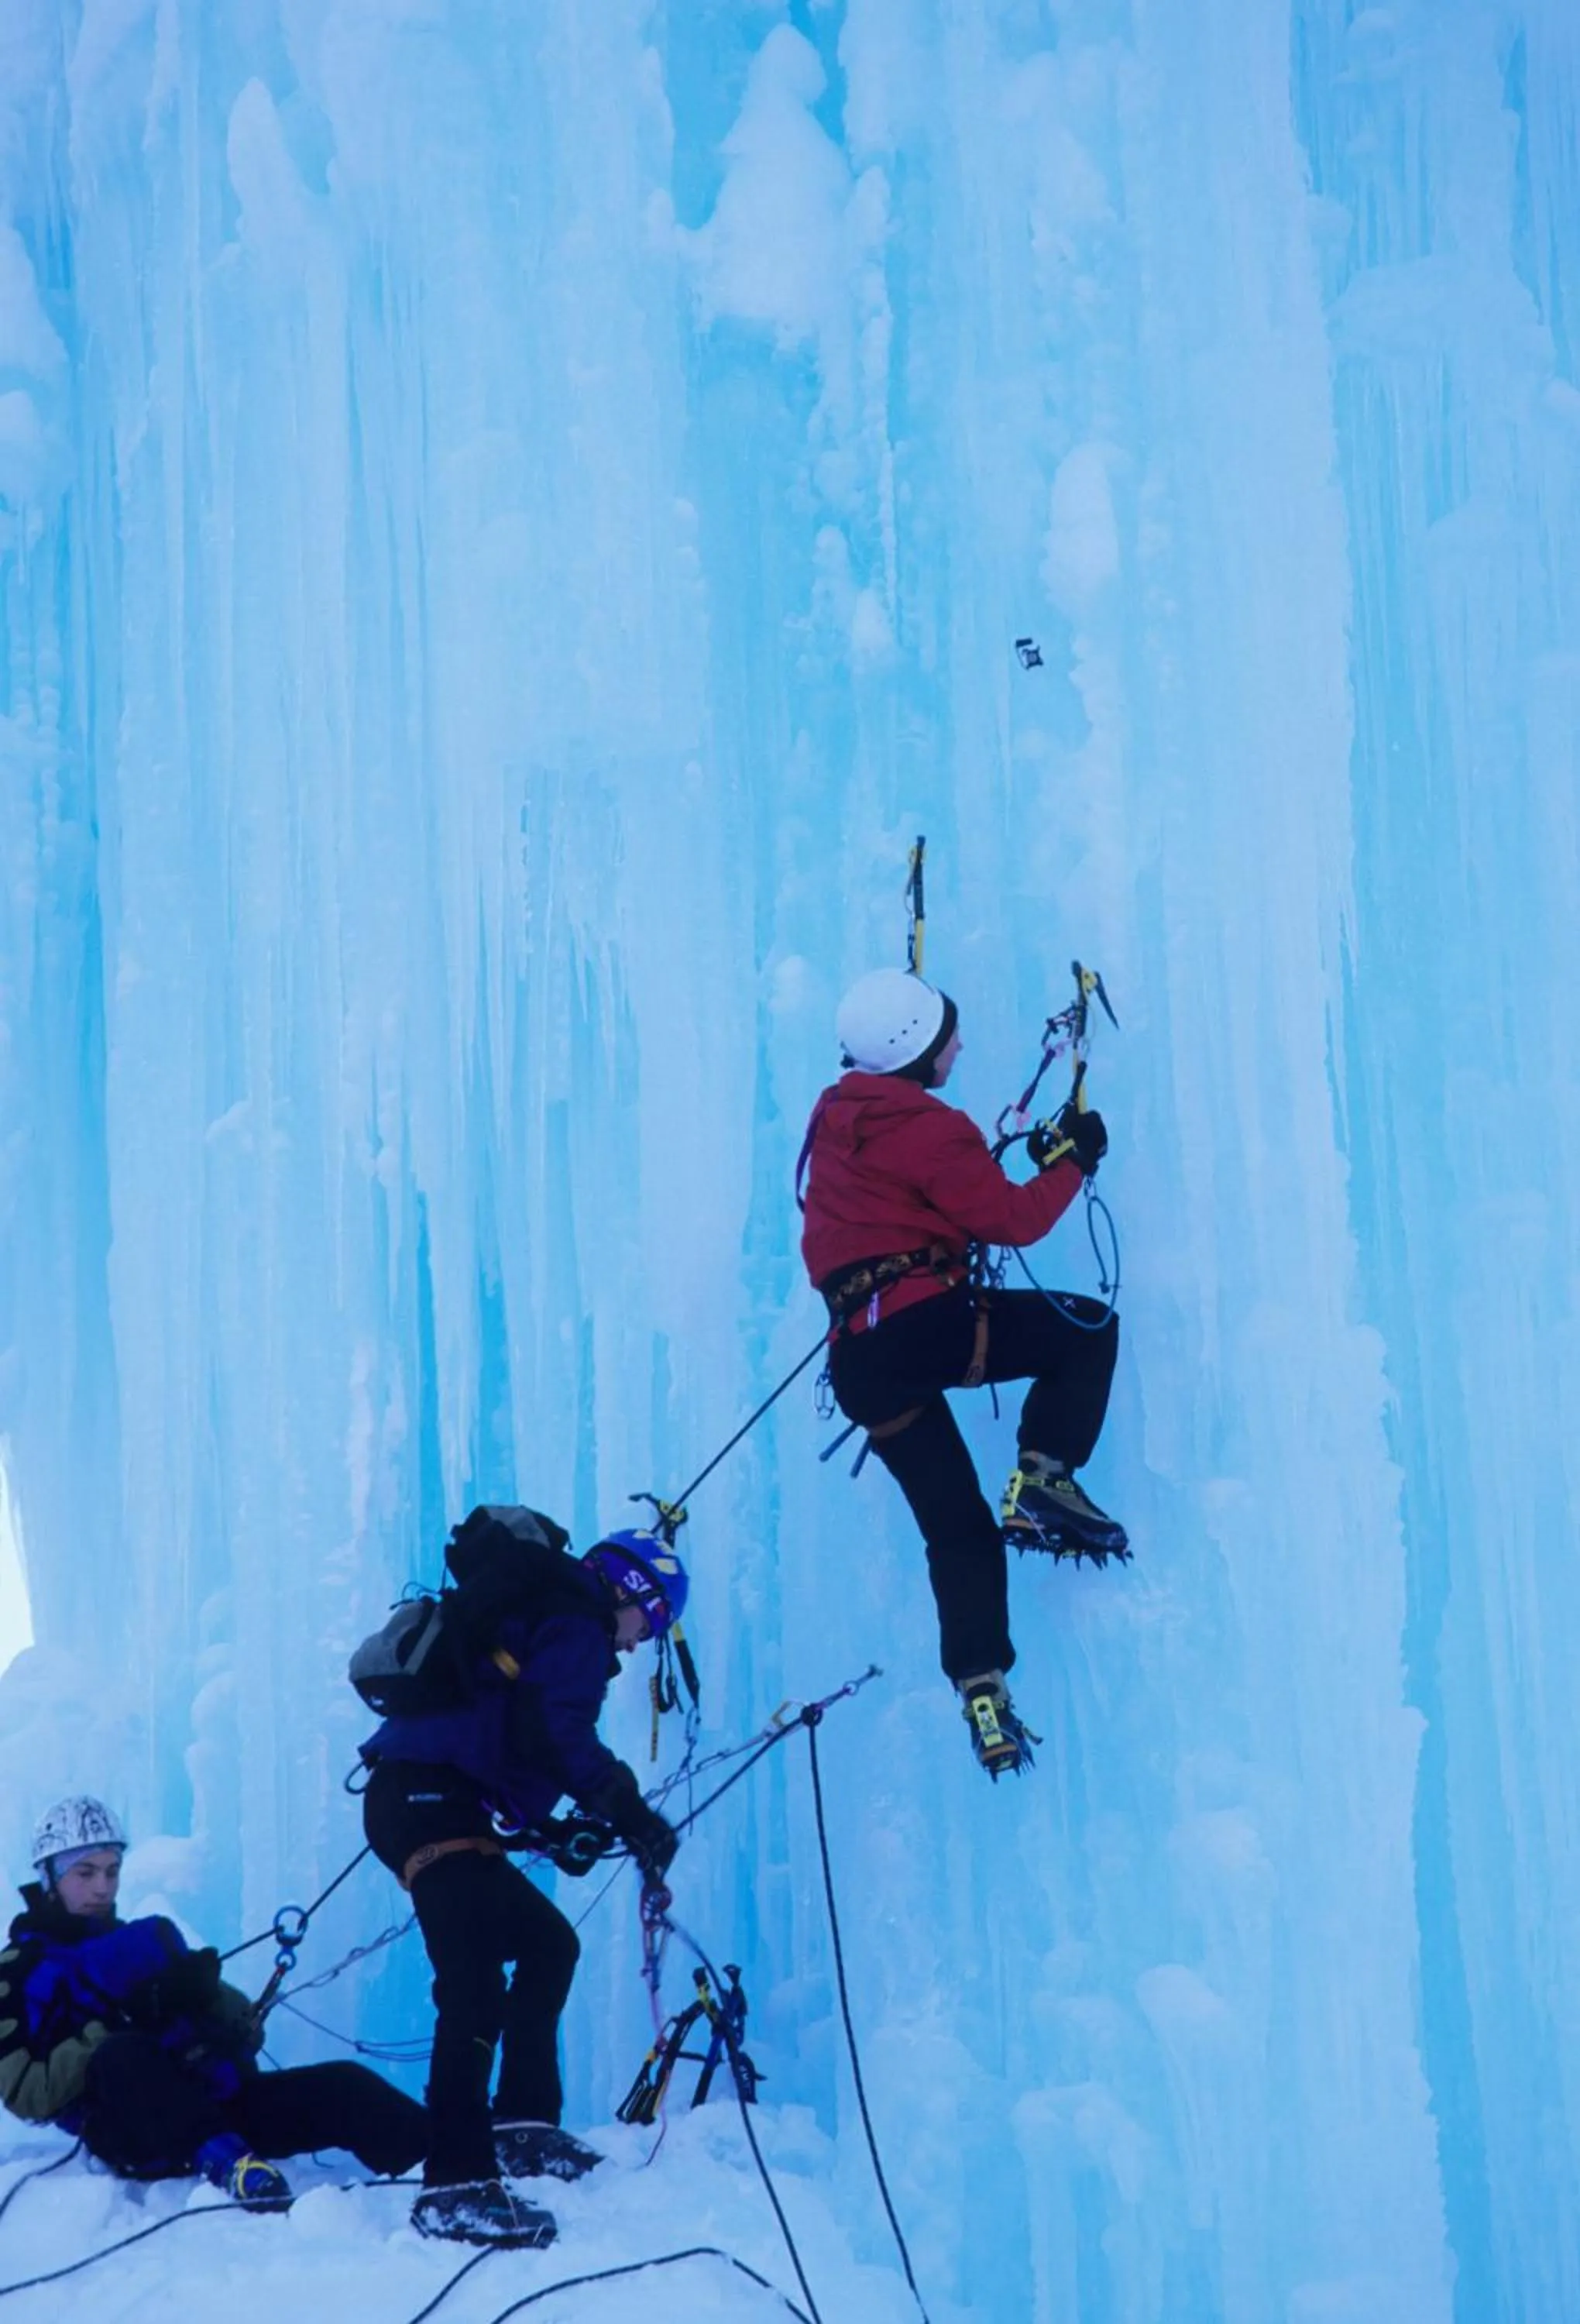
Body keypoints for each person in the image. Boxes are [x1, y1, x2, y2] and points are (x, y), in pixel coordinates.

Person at [798, 966, 1126, 1778]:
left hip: (861, 1360)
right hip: (922, 1325)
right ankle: (1044, 1476)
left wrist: (1022, 1160)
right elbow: (1010, 1219)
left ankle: (983, 1687)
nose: (962, 1046)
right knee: (1087, 1331)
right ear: (918, 1050)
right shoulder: (927, 1125)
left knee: (957, 1529)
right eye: (950, 1035)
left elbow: (920, 1194)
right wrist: (1075, 1162)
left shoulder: (835, 1119)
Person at [359, 1504, 685, 2248]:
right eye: (651, 1624)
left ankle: (520, 2126)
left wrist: (554, 1831)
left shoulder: (549, 1614)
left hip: (428, 1799)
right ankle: (454, 2183)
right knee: (472, 1986)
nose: (639, 1644)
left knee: (546, 1944)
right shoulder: (577, 1623)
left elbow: (509, 1733)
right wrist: (631, 1811)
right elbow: (555, 1732)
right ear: (631, 1594)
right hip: (428, 1800)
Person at [0, 1796, 427, 2205]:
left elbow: (249, 2035)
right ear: (50, 1877)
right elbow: (26, 2093)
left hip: (212, 2104)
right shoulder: (19, 1969)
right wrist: (118, 2024)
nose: (102, 1887)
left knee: (344, 2086)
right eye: (86, 1873)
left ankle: (443, 2159)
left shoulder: (139, 1946)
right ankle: (233, 2167)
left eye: (112, 1872)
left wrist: (207, 1997)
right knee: (123, 2054)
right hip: (131, 2130)